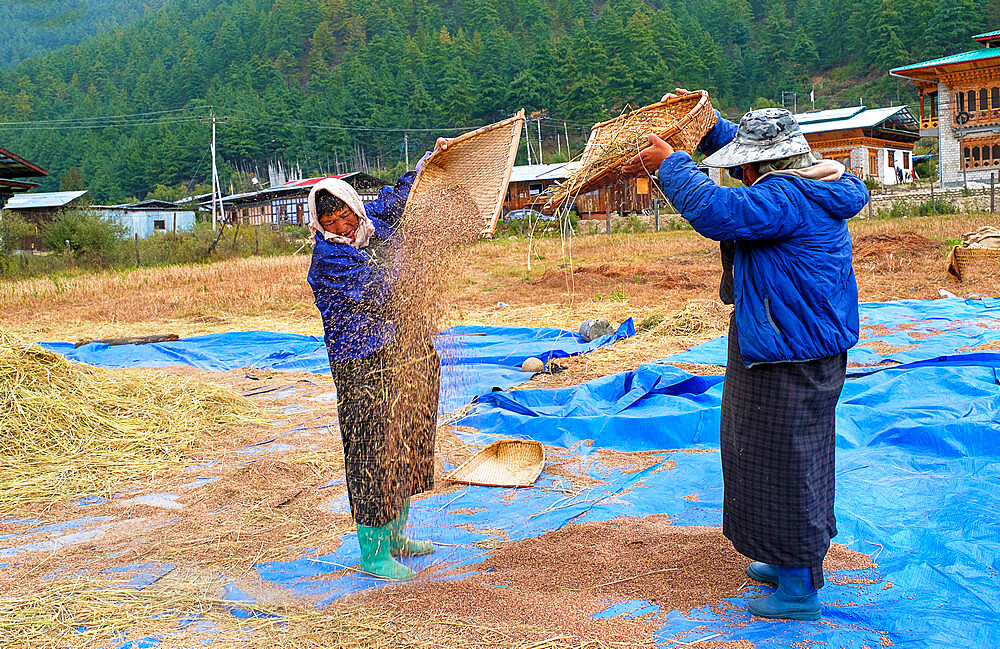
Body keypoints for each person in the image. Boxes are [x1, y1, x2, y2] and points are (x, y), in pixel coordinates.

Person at [624, 91, 868, 621]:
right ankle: (785, 558)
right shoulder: (808, 182)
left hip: (789, 354)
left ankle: (800, 584)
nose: (740, 173)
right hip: (782, 344)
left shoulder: (785, 198)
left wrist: (671, 166)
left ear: (766, 164)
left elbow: (717, 210)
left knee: (786, 463)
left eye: (745, 166)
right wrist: (706, 125)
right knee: (758, 454)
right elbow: (739, 161)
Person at [306, 151, 443, 581]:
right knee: (372, 449)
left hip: (402, 351)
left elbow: (397, 199)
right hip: (362, 365)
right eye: (331, 221)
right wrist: (411, 266)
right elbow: (381, 292)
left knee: (409, 437)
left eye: (345, 213)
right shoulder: (330, 261)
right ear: (320, 225)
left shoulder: (370, 226)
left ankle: (396, 534)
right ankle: (373, 553)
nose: (341, 224)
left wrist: (428, 163)